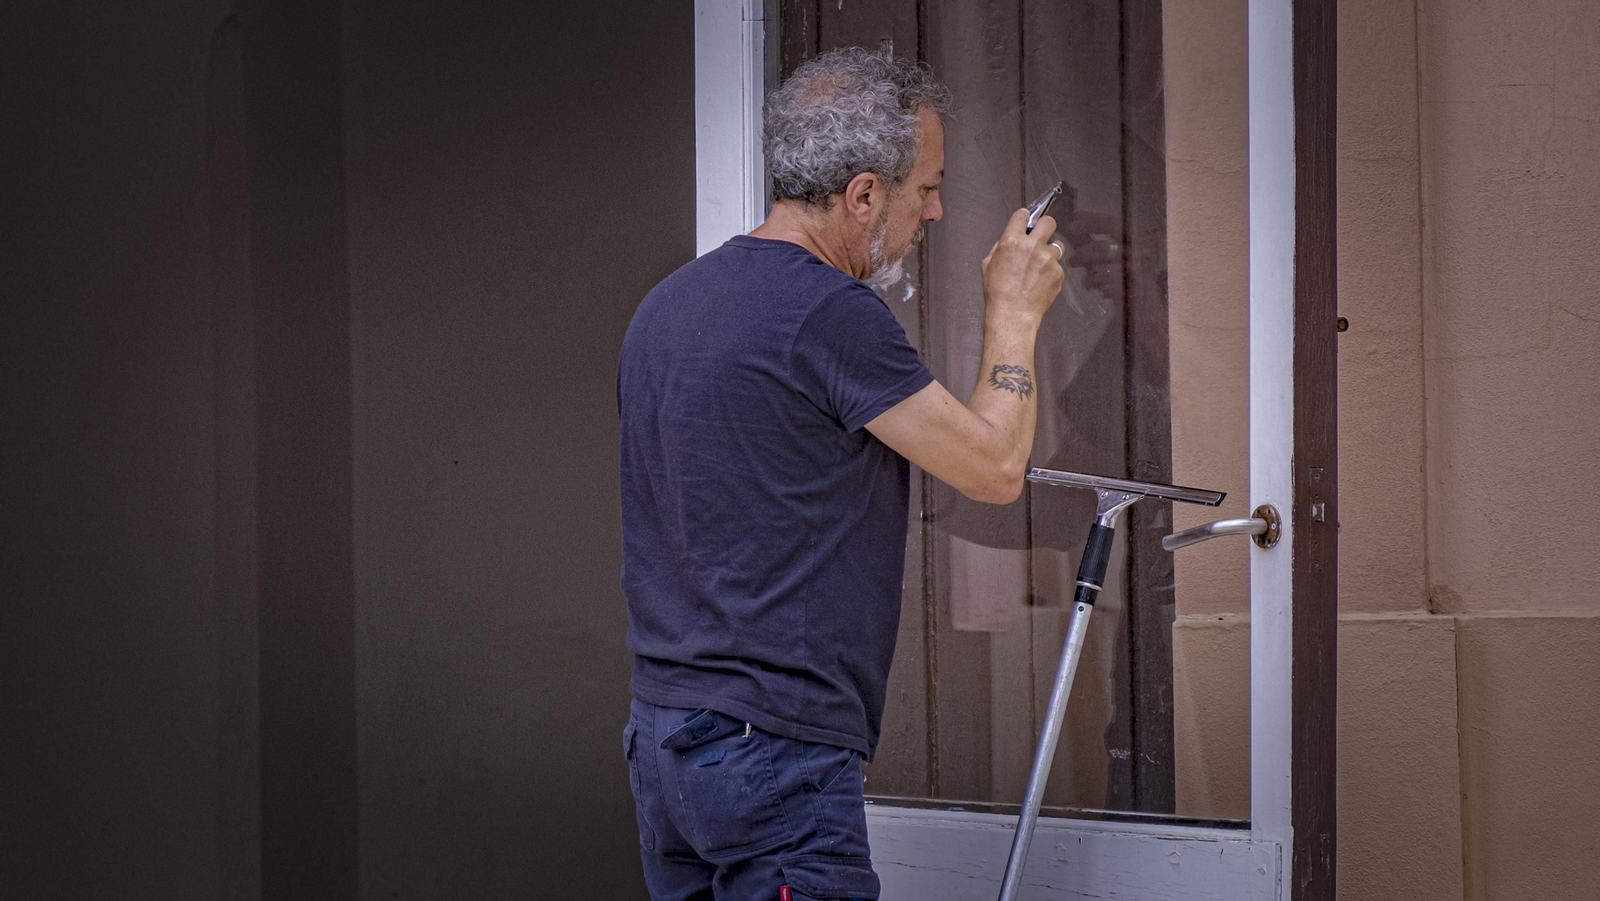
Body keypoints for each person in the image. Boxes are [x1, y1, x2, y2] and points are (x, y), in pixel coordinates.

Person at [617, 47, 1065, 900]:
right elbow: (996, 466)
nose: (933, 213)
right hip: (771, 750)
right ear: (864, 195)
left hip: (665, 733)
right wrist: (1013, 312)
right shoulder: (828, 312)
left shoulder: (666, 305)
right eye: (925, 188)